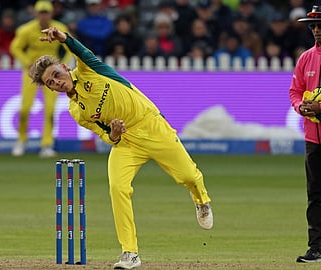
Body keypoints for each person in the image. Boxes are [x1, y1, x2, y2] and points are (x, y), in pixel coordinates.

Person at [30, 26, 213, 269]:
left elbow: (83, 52)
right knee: (118, 188)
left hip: (151, 125)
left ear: (64, 68)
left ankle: (201, 200)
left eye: (56, 74)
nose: (56, 82)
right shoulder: (77, 112)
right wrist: (114, 135)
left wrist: (64, 39)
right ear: (51, 89)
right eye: (50, 83)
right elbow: (105, 135)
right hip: (127, 142)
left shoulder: (88, 70)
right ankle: (130, 252)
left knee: (188, 176)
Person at [9, 0, 71, 158]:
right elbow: (15, 47)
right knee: (24, 109)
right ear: (36, 13)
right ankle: (21, 140)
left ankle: (47, 144)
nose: (44, 16)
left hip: (52, 74)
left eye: (46, 13)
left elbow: (70, 47)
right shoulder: (26, 30)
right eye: (41, 13)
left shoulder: (59, 29)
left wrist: (61, 66)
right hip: (32, 73)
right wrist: (26, 62)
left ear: (51, 13)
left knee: (50, 110)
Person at [290, 5, 321, 263]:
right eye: (314, 26)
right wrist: (301, 106)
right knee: (315, 194)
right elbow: (295, 91)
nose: (317, 31)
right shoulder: (306, 58)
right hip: (313, 137)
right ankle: (316, 247)